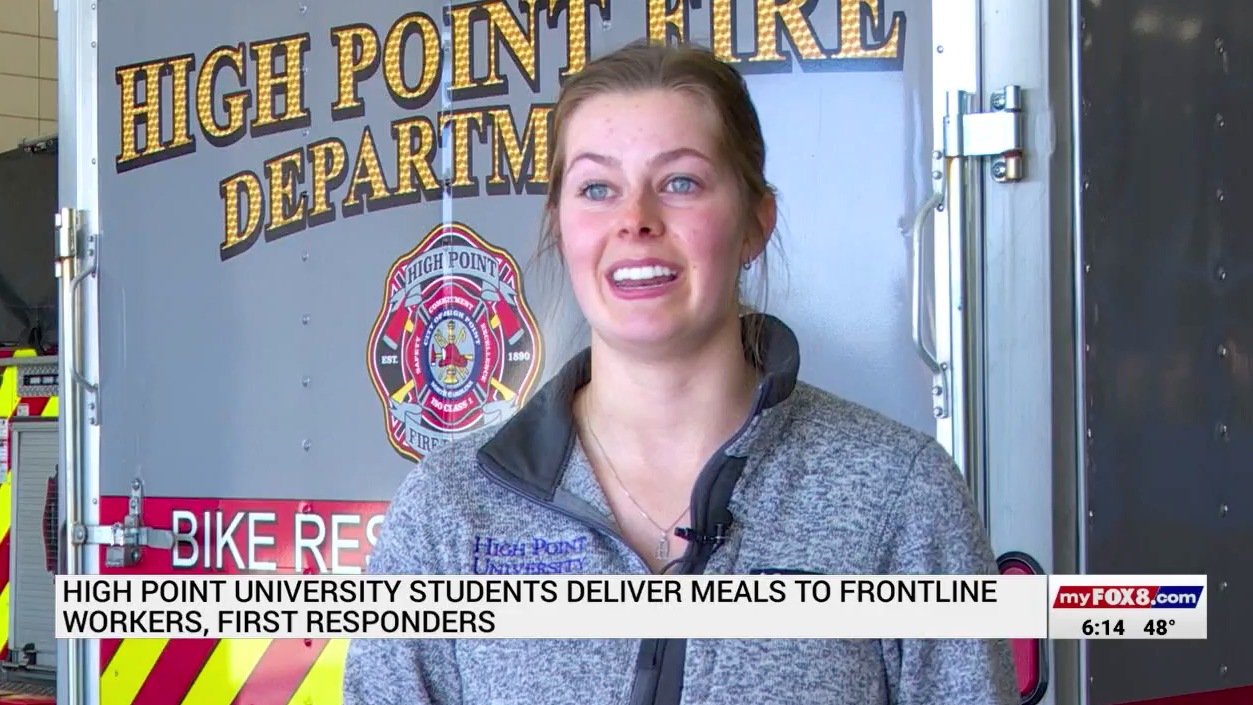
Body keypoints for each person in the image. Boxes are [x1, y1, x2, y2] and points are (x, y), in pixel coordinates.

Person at [344, 38, 1019, 705]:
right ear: (561, 226)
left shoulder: (899, 495)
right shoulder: (450, 508)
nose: (635, 220)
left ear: (755, 223)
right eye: (597, 188)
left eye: (680, 183)